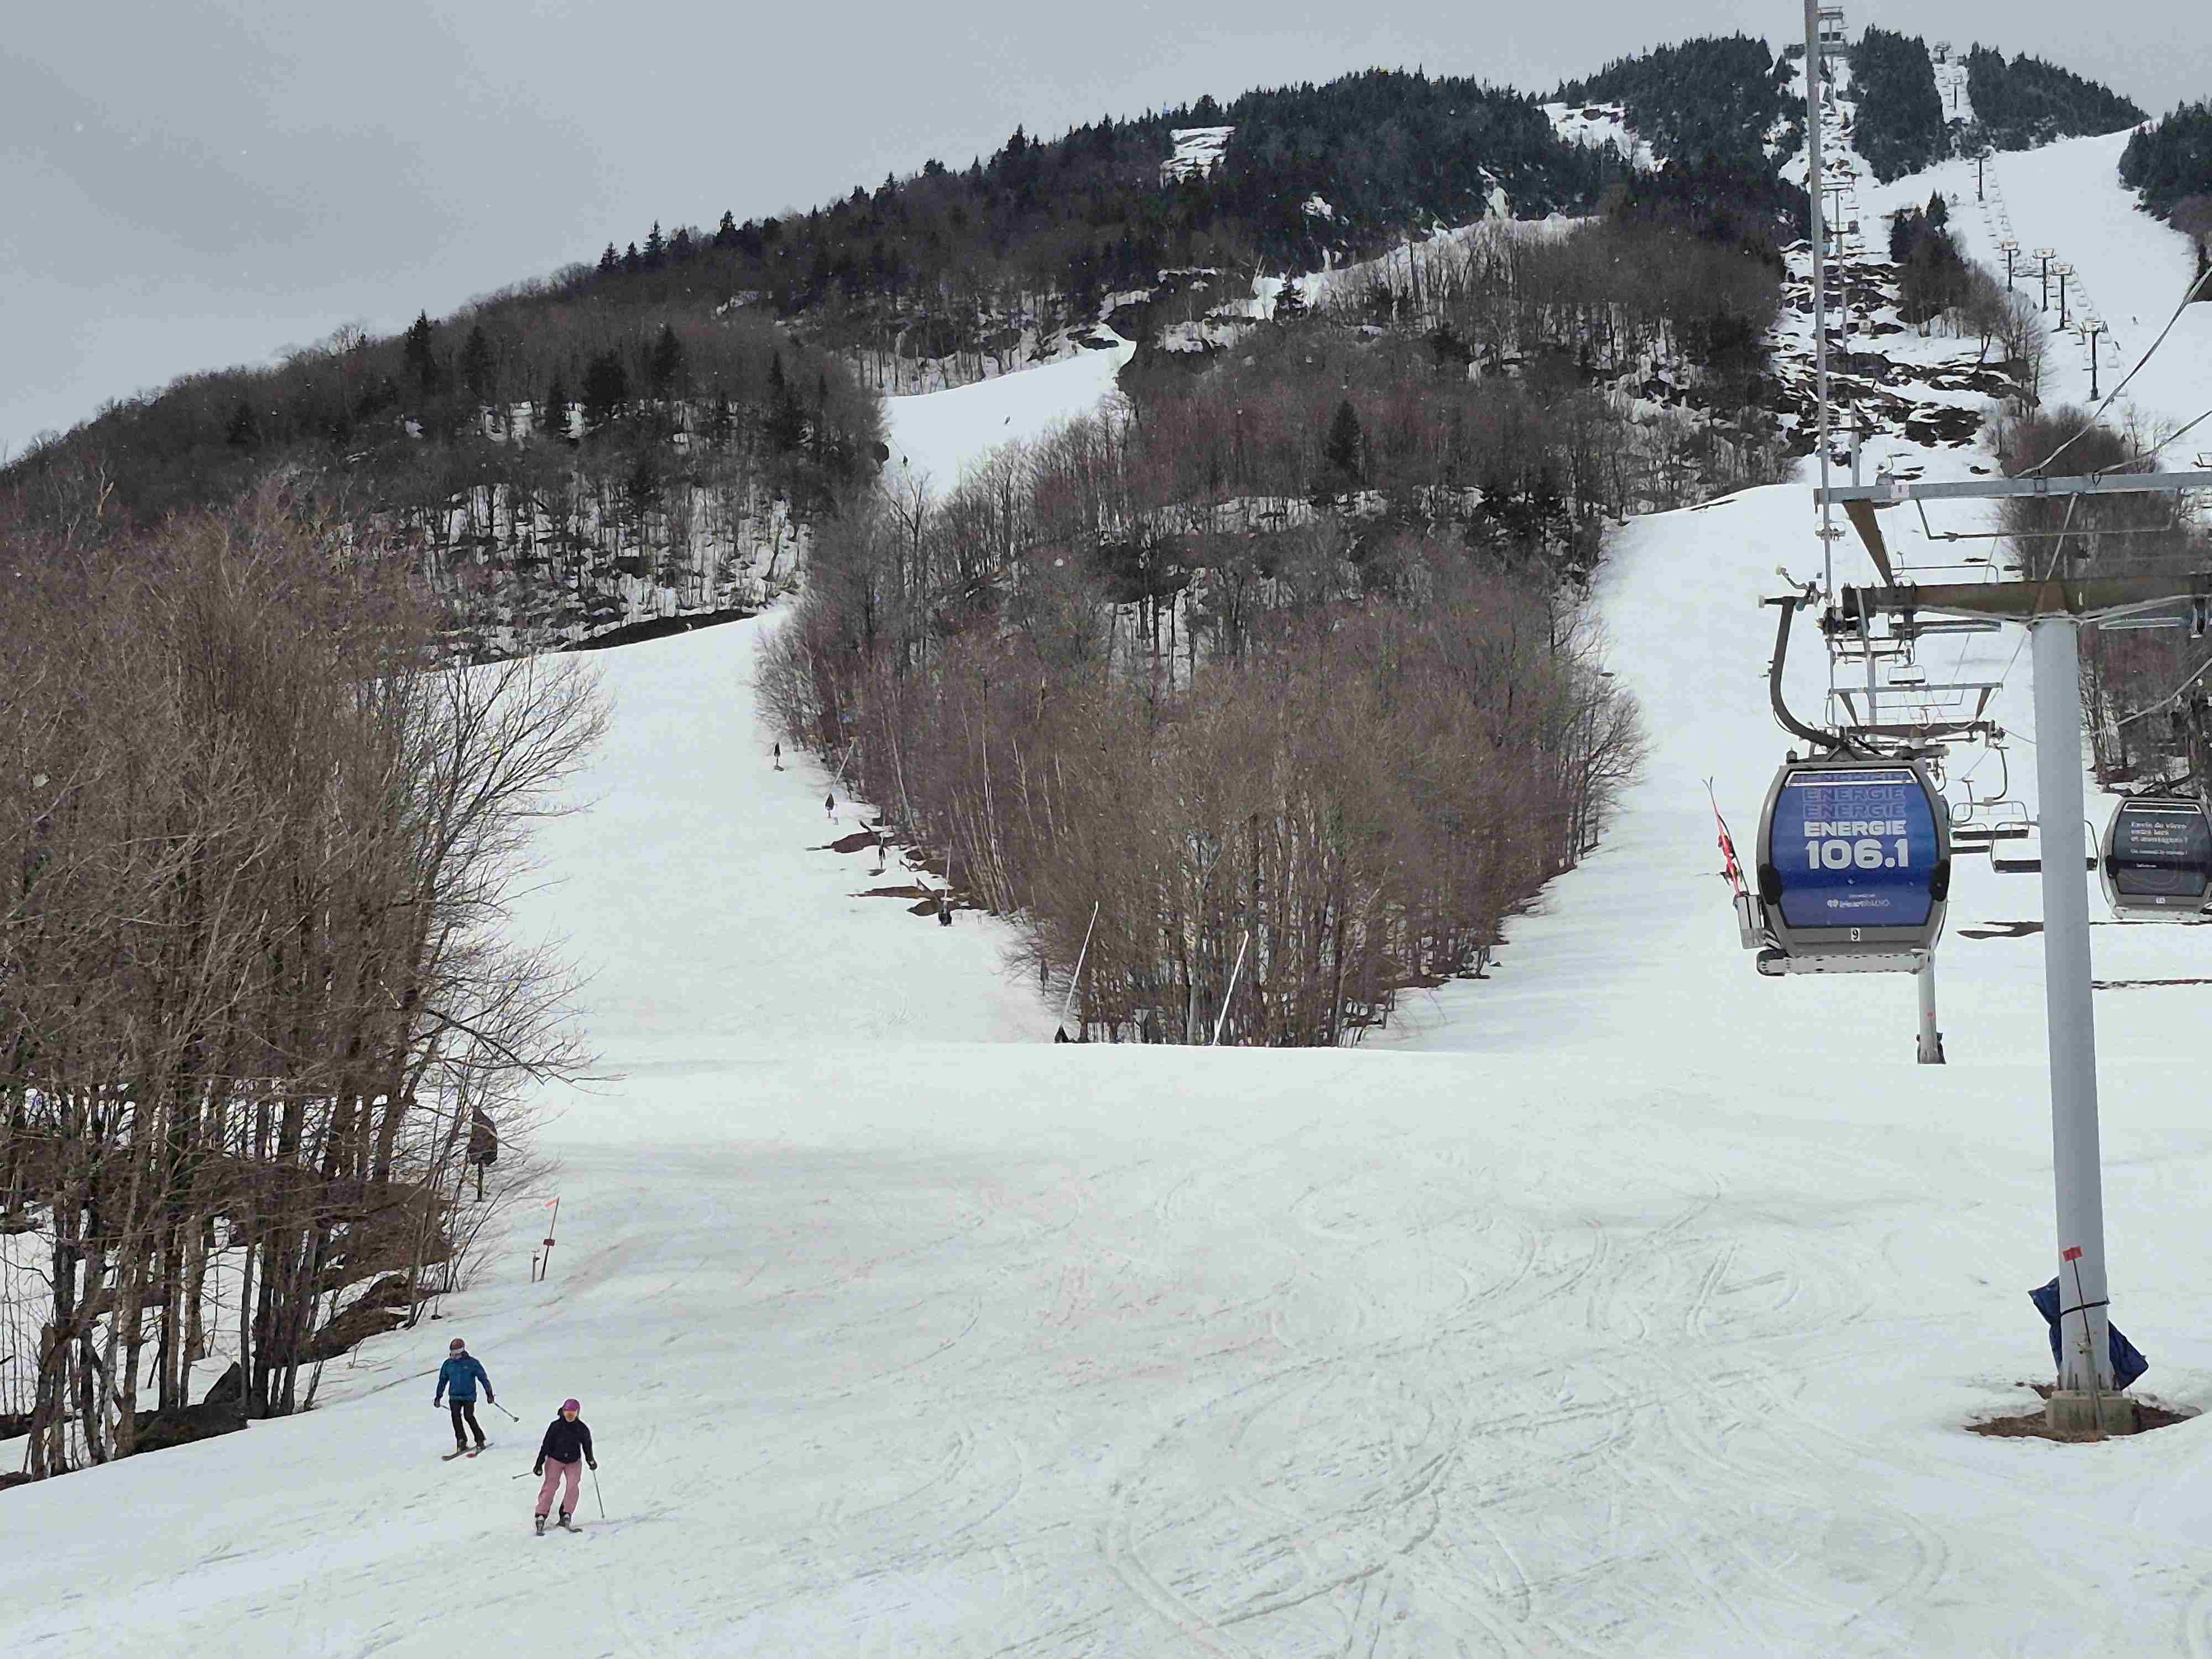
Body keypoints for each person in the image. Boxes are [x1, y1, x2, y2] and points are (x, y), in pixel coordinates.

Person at [533, 1397, 597, 1533]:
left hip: (574, 1462)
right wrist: (539, 1464)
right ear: (563, 1412)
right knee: (550, 1486)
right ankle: (541, 1514)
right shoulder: (555, 1426)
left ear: (577, 1414)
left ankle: (566, 1513)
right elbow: (546, 1446)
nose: (570, 1417)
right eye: (568, 1414)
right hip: (555, 1460)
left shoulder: (582, 1429)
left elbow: (587, 1445)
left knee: (573, 1486)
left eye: (572, 1415)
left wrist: (590, 1460)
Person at [433, 1338, 494, 1454]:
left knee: (469, 1416)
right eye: (452, 1354)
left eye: (456, 1355)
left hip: (469, 1396)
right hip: (454, 1396)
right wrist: (438, 1397)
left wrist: (489, 1393)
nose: (454, 1357)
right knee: (455, 1417)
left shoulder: (472, 1363)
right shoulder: (448, 1364)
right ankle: (461, 1441)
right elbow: (442, 1381)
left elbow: (483, 1378)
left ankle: (480, 1439)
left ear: (462, 1352)